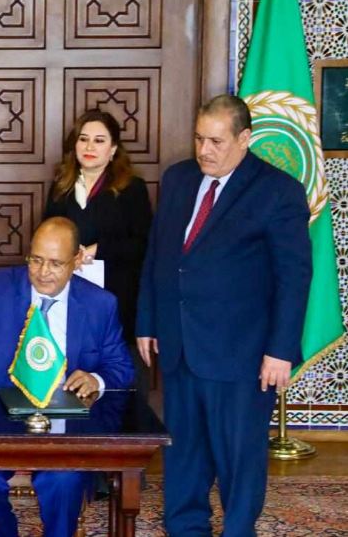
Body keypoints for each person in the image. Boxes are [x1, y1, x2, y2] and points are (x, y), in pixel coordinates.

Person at [136, 94, 311, 536]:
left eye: (216, 141)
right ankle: (185, 527)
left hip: (241, 353)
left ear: (245, 139)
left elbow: (294, 277)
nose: (204, 150)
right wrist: (147, 320)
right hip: (179, 343)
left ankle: (238, 529)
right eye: (199, 139)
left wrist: (281, 350)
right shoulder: (178, 178)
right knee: (184, 452)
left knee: (238, 455)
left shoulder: (278, 191)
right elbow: (158, 254)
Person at [0, 217, 134, 537]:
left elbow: (121, 367)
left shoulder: (100, 304)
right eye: (36, 260)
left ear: (76, 261)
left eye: (55, 263)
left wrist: (96, 379)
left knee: (64, 480)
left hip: (65, 420)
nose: (43, 272)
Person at [44, 109, 152, 395]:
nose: (89, 147)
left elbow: (143, 243)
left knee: (117, 380)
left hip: (117, 295)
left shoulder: (132, 188)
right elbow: (47, 233)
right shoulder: (61, 186)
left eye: (99, 140)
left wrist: (98, 249)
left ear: (113, 148)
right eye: (84, 139)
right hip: (70, 292)